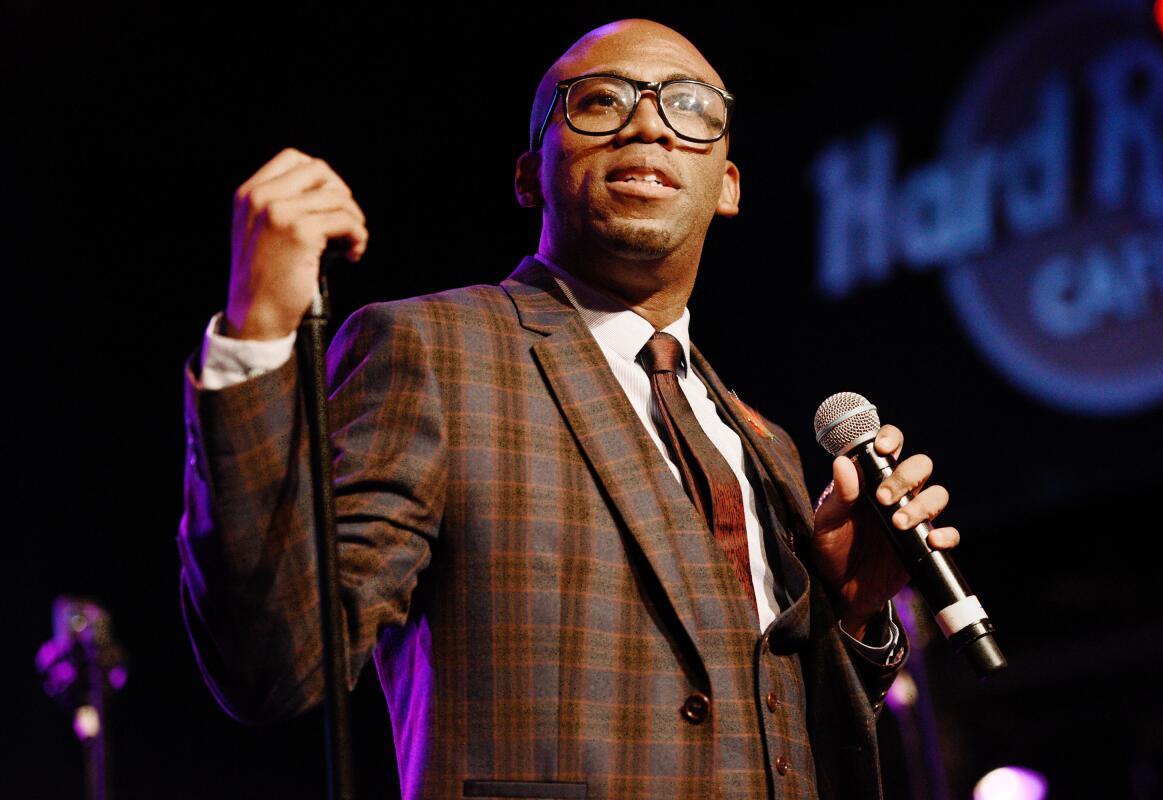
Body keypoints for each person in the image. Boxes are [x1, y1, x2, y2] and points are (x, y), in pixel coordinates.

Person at [180, 18, 960, 799]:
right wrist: (257, 337)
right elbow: (276, 664)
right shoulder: (434, 349)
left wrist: (851, 617)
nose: (649, 122)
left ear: (728, 184)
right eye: (598, 101)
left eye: (689, 106)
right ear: (528, 175)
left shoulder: (766, 446)